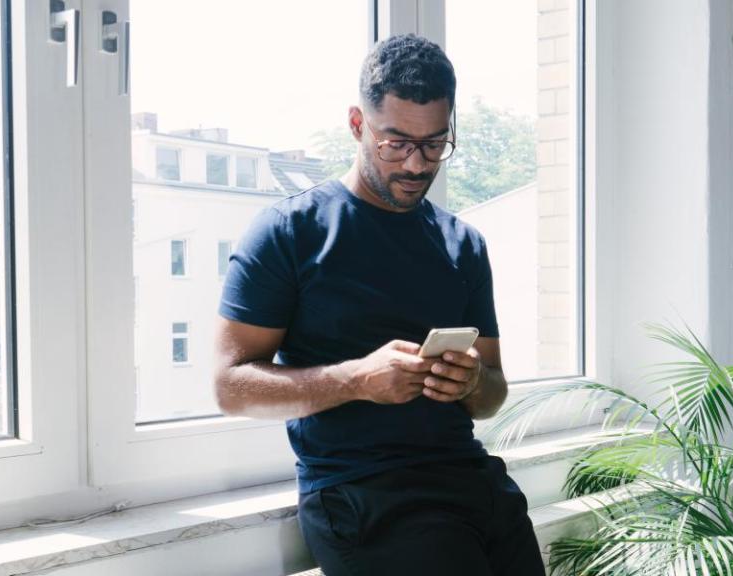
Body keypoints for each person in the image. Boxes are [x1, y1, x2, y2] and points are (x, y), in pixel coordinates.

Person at [214, 33, 545, 576]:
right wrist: (354, 380)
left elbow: (493, 393)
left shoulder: (463, 244)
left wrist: (468, 384)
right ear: (356, 124)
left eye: (435, 145)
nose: (417, 165)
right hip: (368, 498)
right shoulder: (289, 232)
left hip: (476, 486)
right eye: (396, 143)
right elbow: (229, 387)